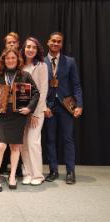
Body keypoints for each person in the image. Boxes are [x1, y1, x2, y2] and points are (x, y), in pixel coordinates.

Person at [0, 48, 39, 192]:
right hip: (1, 115)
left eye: (13, 58)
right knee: (0, 146)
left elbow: (36, 93)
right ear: (4, 60)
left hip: (18, 115)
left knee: (15, 147)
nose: (10, 60)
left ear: (17, 60)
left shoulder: (25, 75)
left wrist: (29, 108)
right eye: (7, 58)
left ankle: (12, 176)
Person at [44, 32, 83, 184]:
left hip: (66, 107)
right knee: (50, 140)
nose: (55, 44)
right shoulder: (41, 62)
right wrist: (42, 106)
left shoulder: (70, 62)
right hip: (48, 107)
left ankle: (70, 172)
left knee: (67, 139)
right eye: (53, 41)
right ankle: (53, 170)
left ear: (61, 44)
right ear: (48, 42)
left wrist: (79, 105)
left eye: (59, 42)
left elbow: (76, 85)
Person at [20, 37, 48, 186]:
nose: (30, 49)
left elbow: (43, 91)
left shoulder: (42, 66)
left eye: (34, 47)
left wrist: (35, 112)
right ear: (23, 49)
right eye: (28, 47)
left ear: (37, 50)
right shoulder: (20, 66)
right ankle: (28, 173)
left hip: (36, 111)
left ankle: (38, 175)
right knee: (23, 143)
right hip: (22, 111)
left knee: (33, 142)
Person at [0, 32, 23, 177]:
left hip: (18, 108)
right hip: (3, 108)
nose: (11, 44)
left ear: (18, 43)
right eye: (9, 42)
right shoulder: (2, 63)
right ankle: (2, 168)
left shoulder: (23, 62)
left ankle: (17, 170)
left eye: (14, 42)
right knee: (1, 142)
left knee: (16, 142)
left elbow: (33, 91)